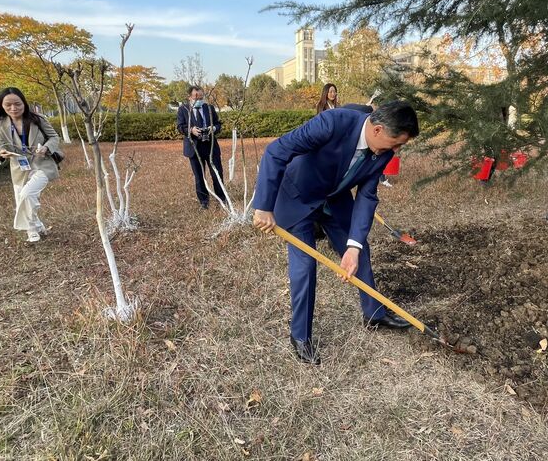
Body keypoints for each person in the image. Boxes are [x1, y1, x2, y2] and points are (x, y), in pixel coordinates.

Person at [252, 101, 420, 365]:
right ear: (377, 129)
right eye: (396, 143)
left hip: (336, 199)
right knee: (305, 266)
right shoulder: (331, 123)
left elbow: (366, 196)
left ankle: (374, 314)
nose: (396, 151)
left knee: (360, 252)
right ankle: (300, 336)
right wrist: (263, 206)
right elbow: (276, 151)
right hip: (298, 196)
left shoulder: (383, 151)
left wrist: (353, 247)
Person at [0, 87, 62, 243]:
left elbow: (54, 137)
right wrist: (1, 154)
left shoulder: (38, 119)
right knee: (23, 198)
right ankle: (35, 227)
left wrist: (46, 148)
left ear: (24, 103)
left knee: (27, 194)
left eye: (17, 104)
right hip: (19, 167)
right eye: (8, 105)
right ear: (1, 105)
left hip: (41, 164)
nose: (13, 108)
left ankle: (28, 227)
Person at [177, 85, 226, 210]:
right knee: (199, 176)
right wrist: (191, 130)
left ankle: (222, 198)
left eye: (201, 97)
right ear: (190, 97)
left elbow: (218, 124)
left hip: (210, 147)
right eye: (196, 97)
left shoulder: (208, 108)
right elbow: (180, 127)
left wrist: (213, 128)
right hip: (194, 148)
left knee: (217, 174)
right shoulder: (183, 109)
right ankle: (204, 201)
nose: (199, 99)